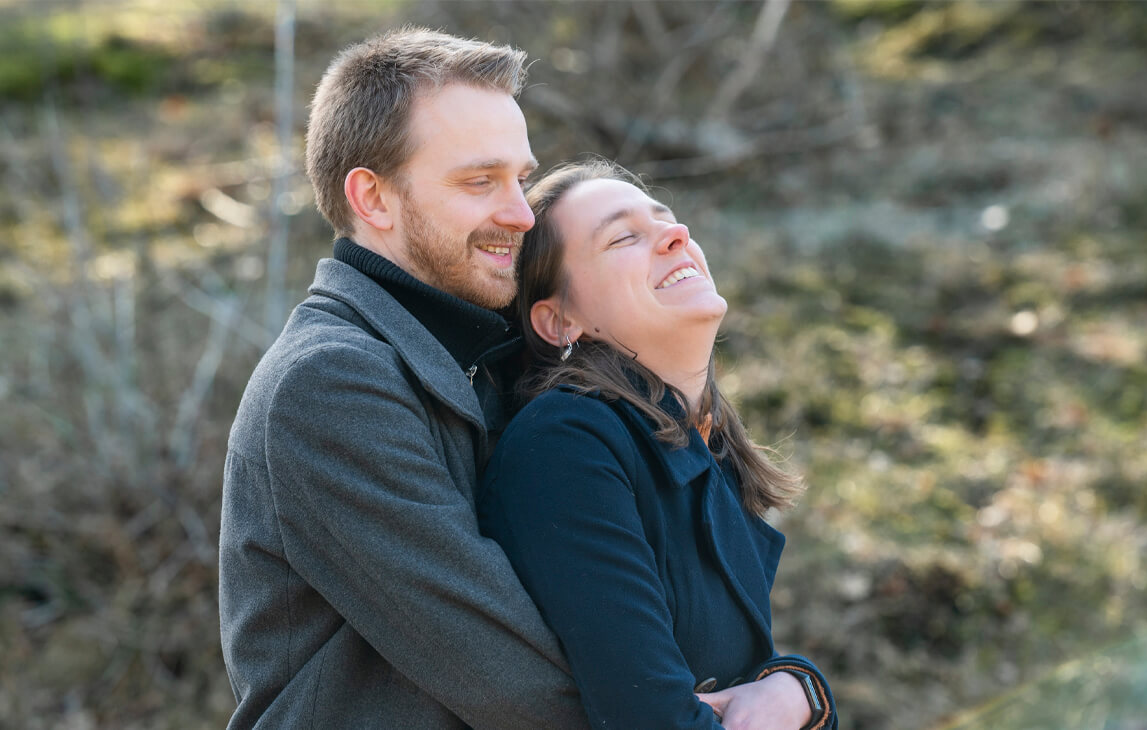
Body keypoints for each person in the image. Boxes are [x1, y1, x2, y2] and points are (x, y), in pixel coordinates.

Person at [218, 28, 589, 728]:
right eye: (480, 181)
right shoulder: (328, 385)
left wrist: (787, 684)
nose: (520, 213)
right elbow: (512, 680)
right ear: (375, 199)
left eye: (522, 178)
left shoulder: (505, 353)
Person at [478, 159, 838, 730]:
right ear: (560, 320)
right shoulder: (566, 443)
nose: (678, 236)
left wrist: (801, 690)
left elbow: (741, 684)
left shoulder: (704, 448)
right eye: (625, 237)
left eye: (667, 221)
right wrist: (798, 694)